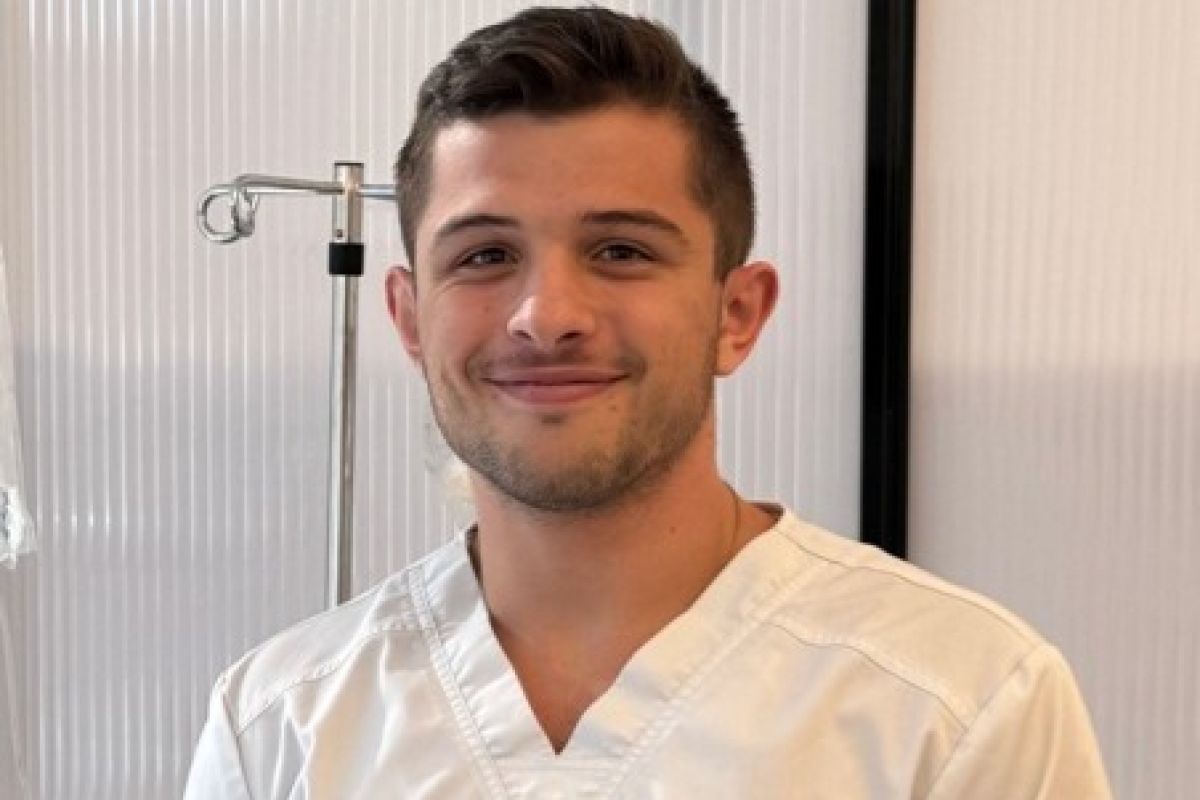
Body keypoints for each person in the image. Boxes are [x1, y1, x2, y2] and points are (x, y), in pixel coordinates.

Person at [184, 7, 1111, 798]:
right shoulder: (282, 729)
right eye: (484, 255)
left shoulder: (959, 708)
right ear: (407, 317)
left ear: (735, 314)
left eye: (621, 250)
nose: (546, 319)